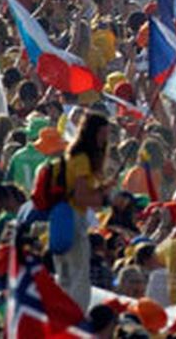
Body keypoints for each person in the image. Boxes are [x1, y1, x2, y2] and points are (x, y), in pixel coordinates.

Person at [58, 113, 113, 309]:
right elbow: (80, 196)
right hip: (73, 221)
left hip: (64, 220)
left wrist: (102, 189)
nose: (105, 140)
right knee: (79, 281)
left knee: (67, 280)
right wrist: (105, 199)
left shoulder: (75, 156)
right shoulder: (82, 159)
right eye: (102, 134)